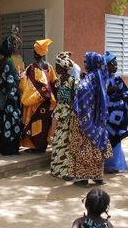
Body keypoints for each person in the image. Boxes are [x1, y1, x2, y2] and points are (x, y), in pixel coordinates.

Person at [72, 52, 112, 187]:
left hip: (86, 119)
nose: (84, 63)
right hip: (98, 120)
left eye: (86, 61)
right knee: (97, 147)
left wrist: (82, 109)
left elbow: (83, 90)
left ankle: (84, 179)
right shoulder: (101, 76)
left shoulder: (89, 79)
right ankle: (98, 177)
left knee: (85, 147)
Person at [20, 39, 57, 152]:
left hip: (34, 103)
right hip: (47, 102)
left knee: (33, 123)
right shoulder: (49, 67)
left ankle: (34, 146)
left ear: (35, 53)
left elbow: (23, 83)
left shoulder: (31, 67)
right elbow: (54, 82)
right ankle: (42, 146)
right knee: (44, 125)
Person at [103, 51, 128, 174]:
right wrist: (109, 90)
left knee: (116, 139)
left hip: (118, 115)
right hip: (107, 115)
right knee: (107, 139)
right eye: (114, 64)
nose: (116, 67)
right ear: (106, 66)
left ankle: (114, 164)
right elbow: (100, 96)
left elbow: (125, 92)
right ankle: (106, 164)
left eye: (116, 65)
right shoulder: (102, 79)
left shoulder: (118, 79)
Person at [49, 51, 78, 180]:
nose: (55, 68)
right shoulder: (58, 81)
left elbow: (75, 99)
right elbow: (57, 98)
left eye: (57, 66)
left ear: (63, 67)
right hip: (60, 112)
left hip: (69, 115)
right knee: (58, 142)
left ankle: (67, 172)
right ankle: (58, 170)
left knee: (68, 143)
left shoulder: (73, 82)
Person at [0, 37, 22, 155]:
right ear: (10, 50)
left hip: (1, 100)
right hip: (10, 102)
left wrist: (0, 98)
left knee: (1, 123)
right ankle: (11, 150)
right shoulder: (9, 64)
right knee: (11, 124)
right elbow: (12, 84)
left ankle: (4, 148)